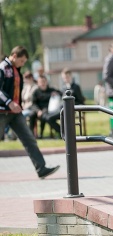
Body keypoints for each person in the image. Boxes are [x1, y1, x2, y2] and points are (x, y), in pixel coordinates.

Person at [0, 46, 59, 178]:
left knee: (29, 139)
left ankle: (41, 168)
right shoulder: (3, 67)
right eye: (21, 61)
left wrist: (16, 105)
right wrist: (9, 102)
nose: (23, 64)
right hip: (2, 111)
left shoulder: (16, 69)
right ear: (14, 55)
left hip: (15, 113)